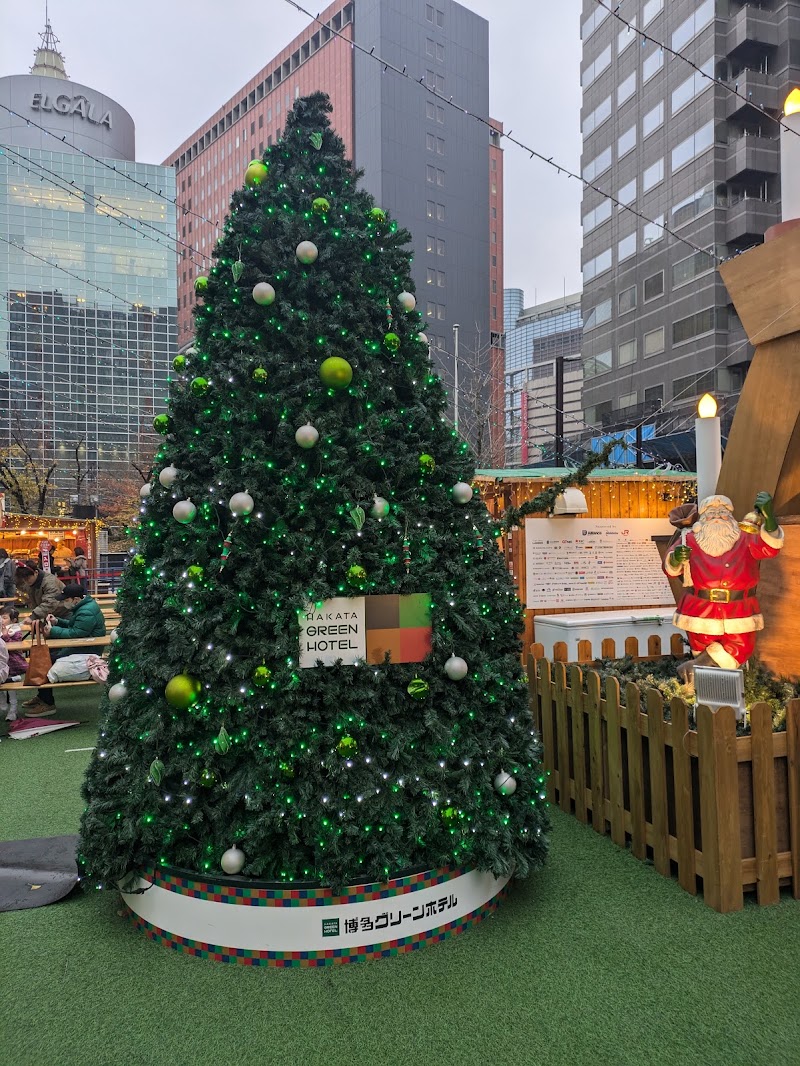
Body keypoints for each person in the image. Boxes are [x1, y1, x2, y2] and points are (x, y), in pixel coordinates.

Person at [663, 492, 783, 683]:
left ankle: (693, 670)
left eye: (722, 513)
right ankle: (705, 688)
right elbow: (670, 568)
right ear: (703, 518)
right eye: (711, 514)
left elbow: (770, 548)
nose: (717, 517)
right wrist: (676, 559)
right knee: (702, 649)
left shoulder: (746, 537)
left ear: (731, 516)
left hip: (739, 609)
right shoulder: (690, 539)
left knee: (740, 649)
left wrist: (769, 520)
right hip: (700, 610)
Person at [22, 583, 106, 718]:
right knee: (47, 658)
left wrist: (53, 631)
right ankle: (42, 696)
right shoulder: (84, 607)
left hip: (86, 651)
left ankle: (47, 703)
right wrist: (57, 621)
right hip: (83, 646)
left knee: (46, 662)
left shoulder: (86, 611)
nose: (64, 602)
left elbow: (76, 633)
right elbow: (76, 627)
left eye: (66, 599)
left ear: (76, 599)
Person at [14, 563, 71, 628]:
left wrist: (33, 616)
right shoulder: (32, 582)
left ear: (36, 572)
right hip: (50, 615)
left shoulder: (50, 582)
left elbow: (50, 603)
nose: (26, 581)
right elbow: (21, 586)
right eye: (24, 579)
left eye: (28, 578)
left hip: (64, 613)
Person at [1, 605, 27, 721]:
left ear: (14, 620)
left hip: (12, 663)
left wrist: (5, 635)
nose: (2, 620)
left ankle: (13, 709)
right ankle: (3, 702)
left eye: (5, 617)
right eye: (0, 617)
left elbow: (15, 645)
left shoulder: (15, 631)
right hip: (2, 664)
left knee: (11, 689)